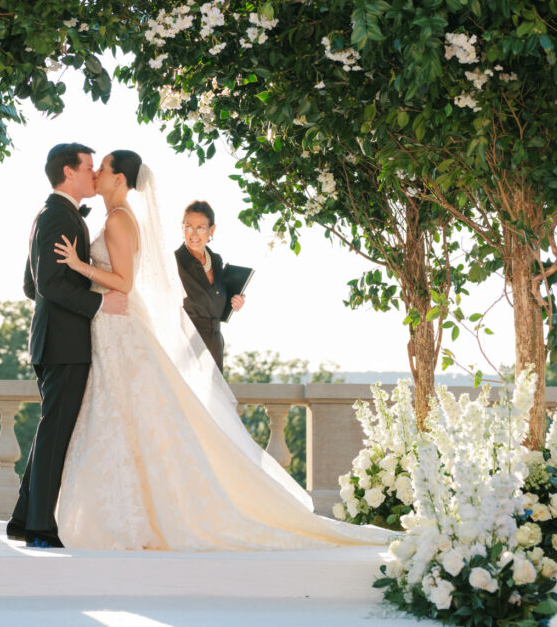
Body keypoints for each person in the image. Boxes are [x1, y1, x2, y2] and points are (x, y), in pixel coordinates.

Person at [51, 149, 390, 552]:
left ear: (120, 179)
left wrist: (78, 264)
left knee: (123, 413)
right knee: (120, 416)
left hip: (118, 324)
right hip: (112, 327)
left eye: (103, 168)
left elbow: (123, 283)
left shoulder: (120, 219)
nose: (97, 174)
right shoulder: (118, 219)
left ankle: (136, 513)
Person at [8, 144, 128, 549]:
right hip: (64, 344)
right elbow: (47, 285)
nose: (94, 174)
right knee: (55, 435)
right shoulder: (60, 215)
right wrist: (98, 302)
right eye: (89, 168)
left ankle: (24, 518)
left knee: (52, 431)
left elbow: (31, 285)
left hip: (53, 339)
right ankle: (41, 528)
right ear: (68, 172)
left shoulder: (51, 213)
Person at [174, 200, 245, 372]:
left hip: (214, 345)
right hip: (186, 347)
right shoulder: (173, 261)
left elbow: (215, 301)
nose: (193, 234)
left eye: (200, 228)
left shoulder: (216, 260)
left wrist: (235, 302)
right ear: (182, 227)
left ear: (211, 230)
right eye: (189, 226)